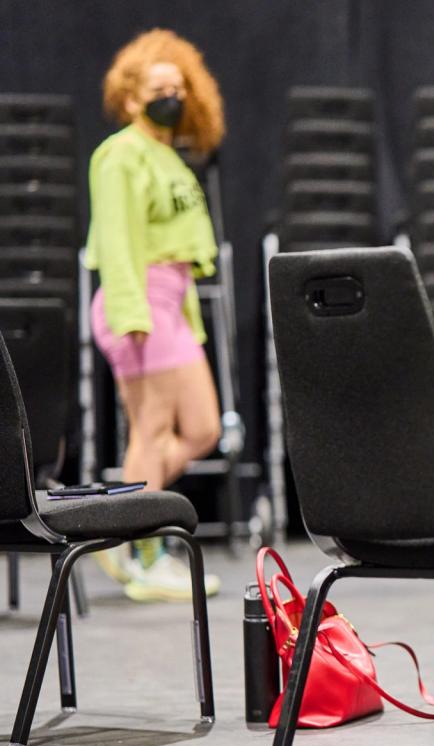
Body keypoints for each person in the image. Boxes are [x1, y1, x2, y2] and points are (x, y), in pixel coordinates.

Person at [85, 29, 224, 601]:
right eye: (157, 86)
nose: (171, 94)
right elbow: (115, 241)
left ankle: (116, 527)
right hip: (138, 302)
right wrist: (130, 313)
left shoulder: (168, 154)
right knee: (150, 429)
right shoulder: (119, 153)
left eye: (178, 86)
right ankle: (141, 550)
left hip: (171, 305)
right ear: (130, 94)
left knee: (203, 429)